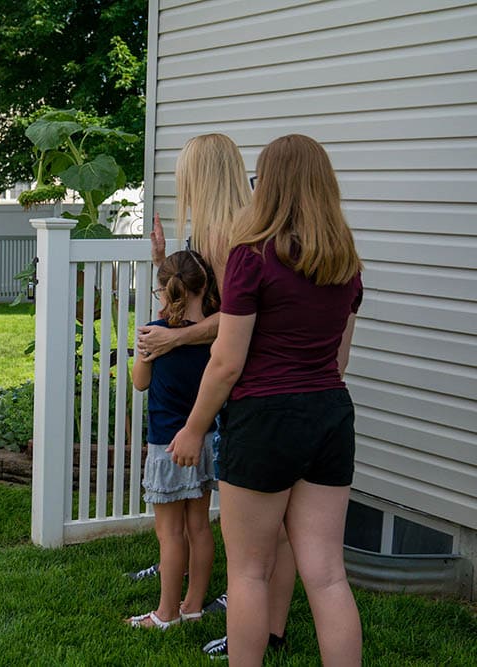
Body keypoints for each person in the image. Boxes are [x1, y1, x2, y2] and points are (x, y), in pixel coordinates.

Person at [168, 134, 363, 666]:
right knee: (326, 573)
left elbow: (227, 361)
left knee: (249, 571)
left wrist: (191, 428)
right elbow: (339, 361)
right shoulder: (345, 262)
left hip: (264, 419)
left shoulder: (251, 258)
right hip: (330, 414)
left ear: (269, 183)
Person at [134, 134, 297, 659]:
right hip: (259, 395)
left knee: (262, 524)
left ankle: (256, 619)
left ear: (200, 177)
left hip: (245, 393)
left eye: (185, 174)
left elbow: (237, 321)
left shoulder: (232, 234)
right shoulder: (215, 230)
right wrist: (162, 259)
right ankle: (248, 611)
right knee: (234, 520)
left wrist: (172, 337)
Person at [125, 251, 219, 630]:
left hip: (167, 444)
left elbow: (140, 382)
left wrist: (141, 348)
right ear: (206, 286)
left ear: (164, 290)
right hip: (204, 437)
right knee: (199, 526)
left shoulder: (153, 331)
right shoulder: (215, 333)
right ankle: (193, 606)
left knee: (169, 532)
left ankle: (166, 614)